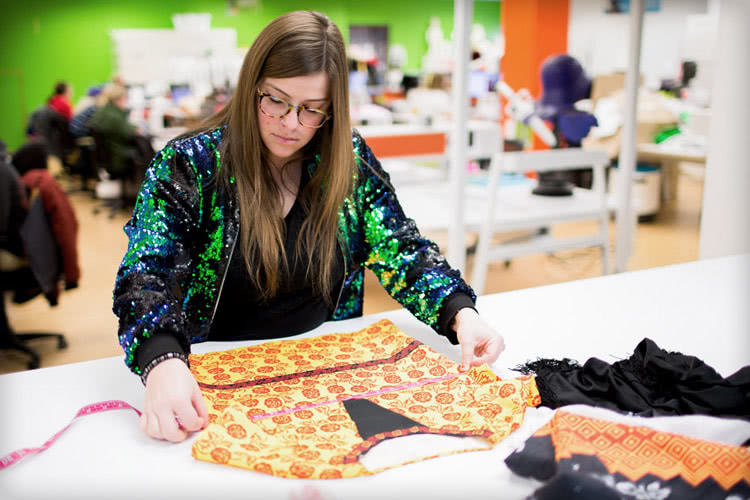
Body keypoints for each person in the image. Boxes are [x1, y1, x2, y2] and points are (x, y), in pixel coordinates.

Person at [112, 10, 505, 443]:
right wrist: (163, 361)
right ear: (251, 87)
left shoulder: (348, 161)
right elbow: (147, 272)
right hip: (214, 375)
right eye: (276, 100)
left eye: (312, 110)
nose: (291, 124)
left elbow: (401, 247)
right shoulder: (192, 164)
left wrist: (459, 312)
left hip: (325, 371)